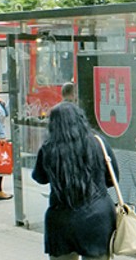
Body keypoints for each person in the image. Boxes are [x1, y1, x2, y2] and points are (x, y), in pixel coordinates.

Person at [33, 102, 119, 260]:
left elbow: (39, 178)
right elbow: (113, 178)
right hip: (97, 217)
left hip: (61, 220)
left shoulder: (48, 148)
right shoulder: (99, 142)